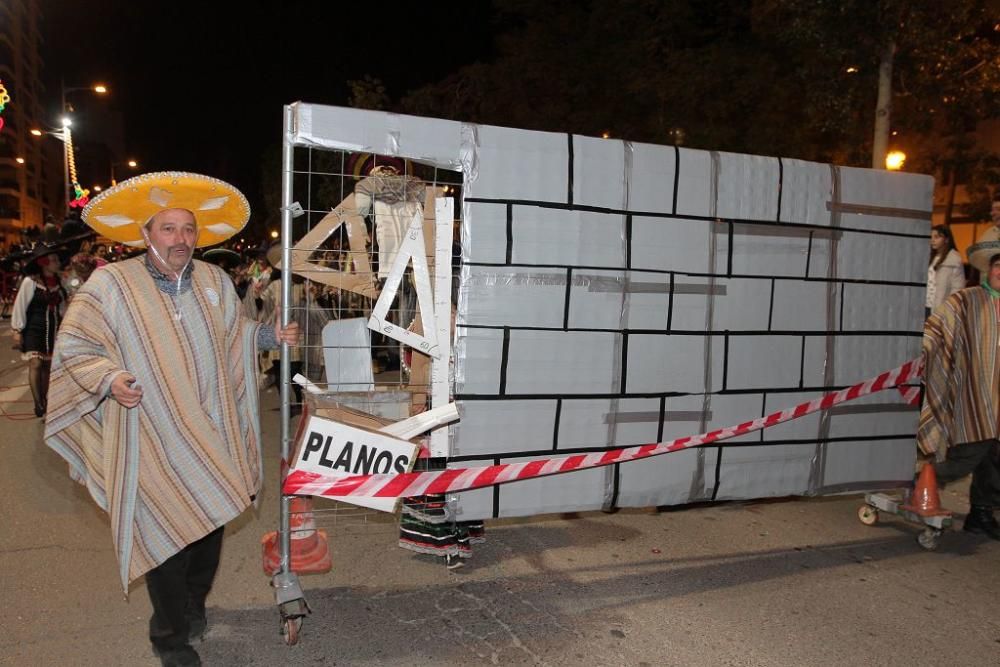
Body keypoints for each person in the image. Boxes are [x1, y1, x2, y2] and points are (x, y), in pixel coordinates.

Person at [43, 172, 300, 667]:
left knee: (209, 533)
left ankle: (193, 606)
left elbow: (236, 334)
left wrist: (269, 338)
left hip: (210, 432)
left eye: (188, 229)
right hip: (150, 434)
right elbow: (77, 347)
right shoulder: (110, 285)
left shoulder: (214, 281)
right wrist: (109, 377)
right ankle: (170, 639)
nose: (181, 239)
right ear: (145, 234)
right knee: (165, 540)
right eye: (168, 228)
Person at [919, 236, 1000, 541]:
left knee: (994, 458)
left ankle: (981, 513)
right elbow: (937, 327)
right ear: (988, 270)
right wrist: (923, 353)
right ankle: (922, 480)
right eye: (997, 266)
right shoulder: (967, 300)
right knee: (971, 452)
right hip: (973, 393)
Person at [10, 242, 68, 417]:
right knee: (35, 363)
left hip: (53, 331)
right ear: (44, 262)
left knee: (47, 367)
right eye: (54, 260)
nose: (58, 263)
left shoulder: (60, 282)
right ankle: (38, 404)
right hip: (34, 329)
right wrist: (17, 330)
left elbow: (63, 308)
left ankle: (45, 401)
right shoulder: (31, 282)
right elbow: (20, 305)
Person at [926, 225, 965, 318]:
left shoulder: (954, 260)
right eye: (931, 237)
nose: (933, 240)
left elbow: (958, 288)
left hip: (940, 307)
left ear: (947, 239)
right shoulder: (929, 257)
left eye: (937, 237)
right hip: (925, 305)